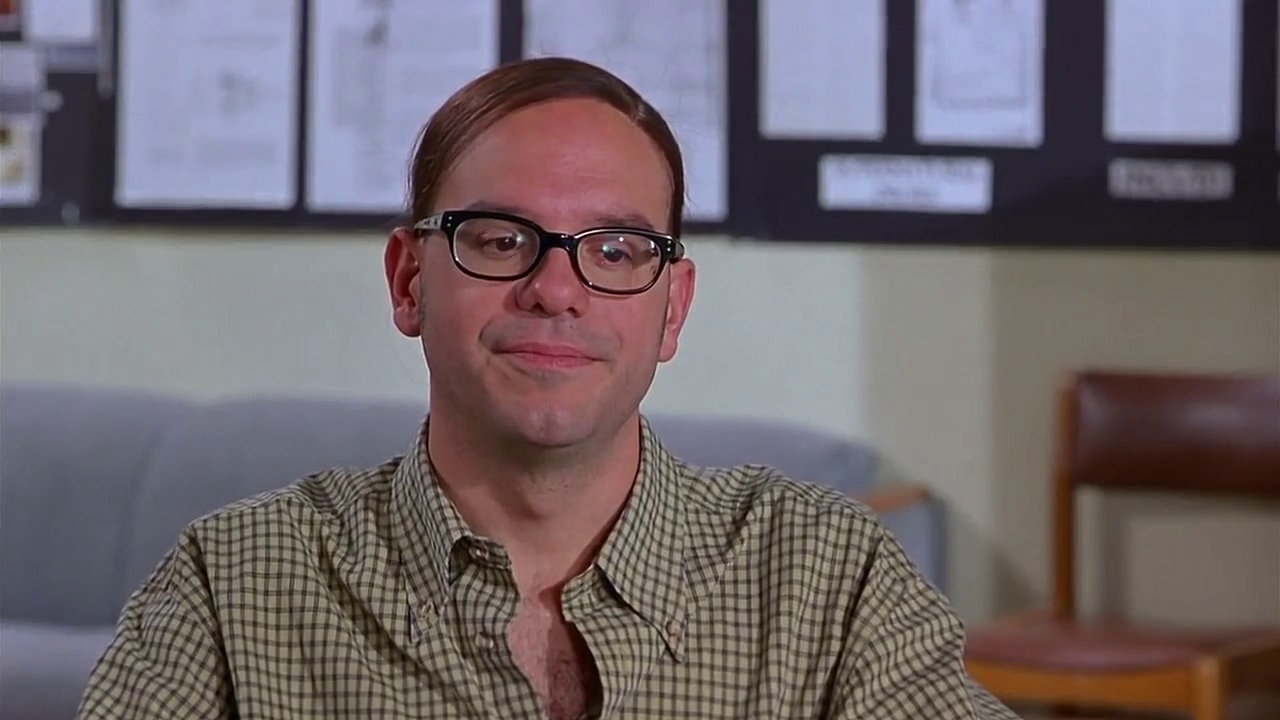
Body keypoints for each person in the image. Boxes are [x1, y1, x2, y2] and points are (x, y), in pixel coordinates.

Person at [76, 57, 1020, 719]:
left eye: (616, 250)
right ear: (409, 281)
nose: (556, 290)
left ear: (673, 308)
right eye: (499, 239)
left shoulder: (828, 579)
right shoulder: (234, 585)